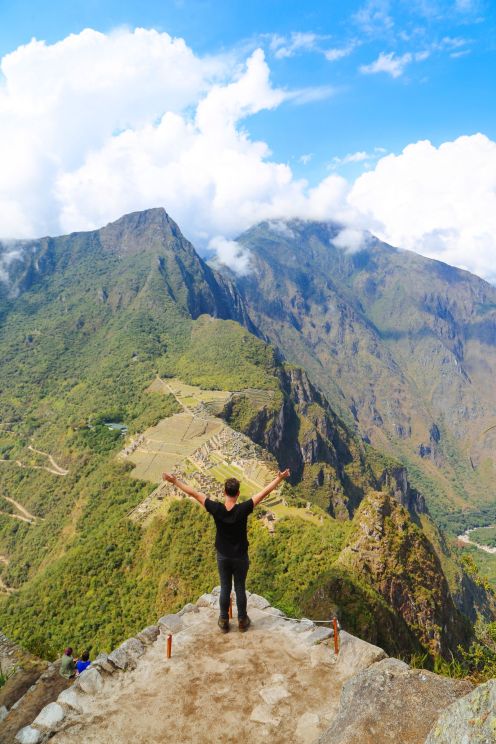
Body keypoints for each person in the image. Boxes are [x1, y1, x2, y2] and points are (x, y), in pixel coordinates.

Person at [162, 468, 290, 633]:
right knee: (239, 587)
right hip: (240, 557)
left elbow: (194, 493)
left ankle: (223, 620)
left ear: (224, 492)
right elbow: (264, 493)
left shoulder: (216, 509)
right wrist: (279, 479)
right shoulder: (243, 509)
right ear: (237, 493)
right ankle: (242, 620)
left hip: (223, 556)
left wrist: (174, 481)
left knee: (225, 587)